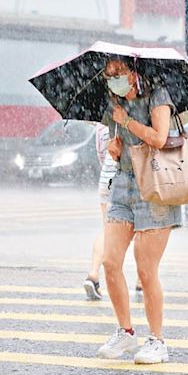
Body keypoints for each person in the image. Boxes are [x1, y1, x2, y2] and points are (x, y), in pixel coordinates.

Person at [96, 56, 181, 364]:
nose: (113, 79)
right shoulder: (112, 103)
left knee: (146, 270)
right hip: (124, 185)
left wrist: (127, 120)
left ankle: (157, 341)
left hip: (155, 186)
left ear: (133, 72)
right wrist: (115, 150)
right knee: (109, 261)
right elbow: (120, 145)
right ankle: (126, 332)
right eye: (109, 75)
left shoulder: (157, 95)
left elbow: (159, 138)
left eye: (118, 73)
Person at [82, 124, 116, 300]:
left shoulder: (102, 125)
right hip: (130, 178)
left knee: (108, 229)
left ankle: (93, 274)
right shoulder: (138, 112)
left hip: (106, 179)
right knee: (143, 230)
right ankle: (142, 281)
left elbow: (101, 155)